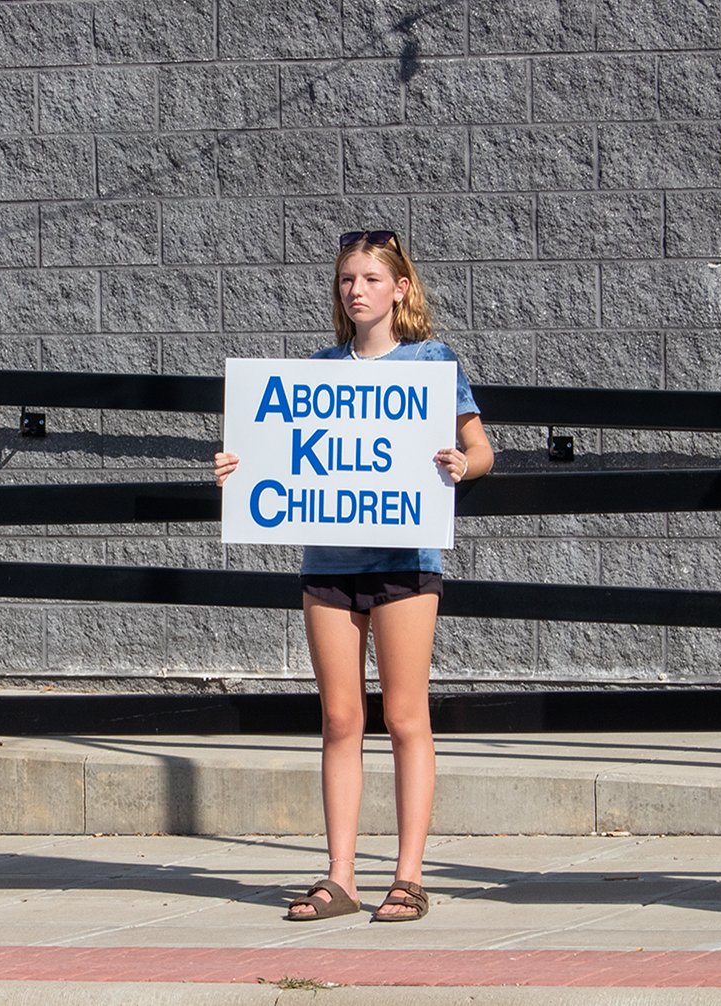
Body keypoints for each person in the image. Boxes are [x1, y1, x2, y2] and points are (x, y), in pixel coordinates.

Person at [215, 230, 493, 922]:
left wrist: (463, 465)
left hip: (405, 561)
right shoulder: (317, 370)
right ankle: (340, 877)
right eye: (347, 279)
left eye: (370, 278)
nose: (356, 291)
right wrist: (238, 469)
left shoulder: (432, 362)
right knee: (340, 718)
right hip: (328, 565)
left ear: (400, 288)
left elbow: (481, 448)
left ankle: (408, 876)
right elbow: (275, 454)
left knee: (403, 716)